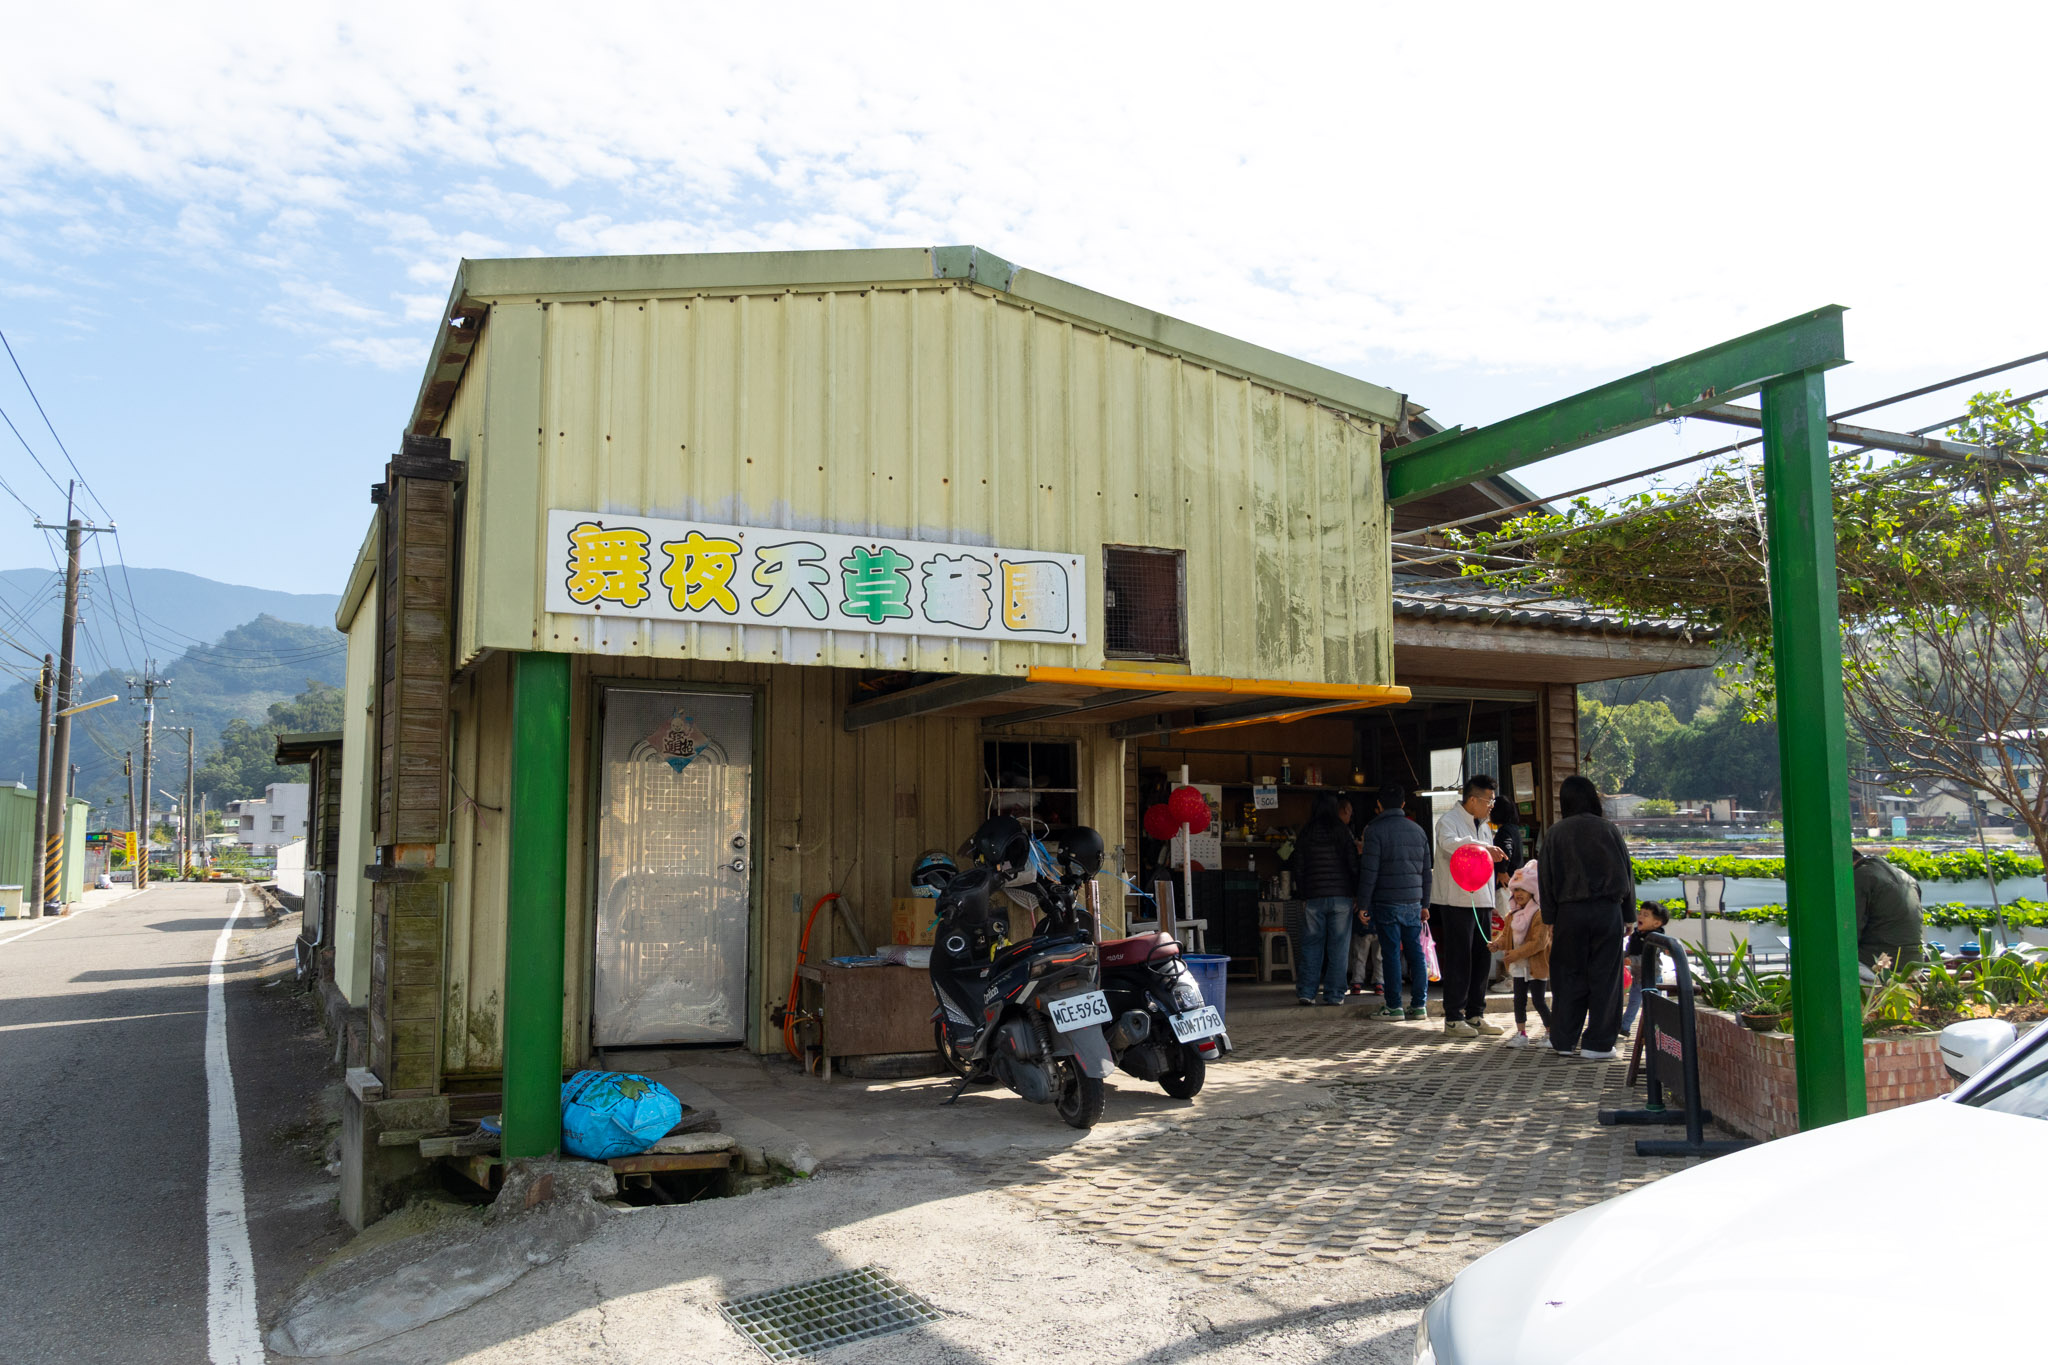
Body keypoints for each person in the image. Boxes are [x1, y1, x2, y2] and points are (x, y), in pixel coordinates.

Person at [1537, 774, 1636, 1060]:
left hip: (1569, 914)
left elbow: (1546, 879)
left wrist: (1550, 918)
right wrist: (1628, 915)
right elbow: (1626, 873)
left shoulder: (1556, 833)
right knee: (1606, 977)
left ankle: (1564, 1041)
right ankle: (1599, 1044)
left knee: (1567, 976)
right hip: (1607, 912)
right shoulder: (1608, 829)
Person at [1431, 775, 1506, 1039]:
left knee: (1482, 958)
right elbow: (1450, 845)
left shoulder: (1484, 825)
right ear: (1473, 799)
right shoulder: (1448, 822)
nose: (1491, 806)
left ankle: (1476, 1013)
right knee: (1459, 959)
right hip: (1457, 901)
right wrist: (1485, 847)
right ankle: (1453, 1016)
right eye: (1488, 800)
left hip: (1483, 900)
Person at [1357, 781, 1432, 1020]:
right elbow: (1425, 871)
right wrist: (1425, 904)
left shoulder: (1374, 831)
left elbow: (1369, 872)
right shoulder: (1418, 831)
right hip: (1413, 901)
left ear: (1378, 805)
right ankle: (1419, 1005)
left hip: (1386, 901)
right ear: (1402, 804)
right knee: (1415, 953)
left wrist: (1363, 904)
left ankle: (1394, 1006)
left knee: (1390, 953)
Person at [1292, 793, 1359, 1006]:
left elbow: (1298, 867)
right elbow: (1353, 865)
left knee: (1311, 945)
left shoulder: (1306, 833)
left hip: (1313, 897)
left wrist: (1303, 893)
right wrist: (1356, 892)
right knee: (1338, 948)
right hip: (1341, 898)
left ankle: (1307, 992)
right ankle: (1335, 994)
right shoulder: (1343, 832)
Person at [1489, 860, 1551, 1048]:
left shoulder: (1540, 914)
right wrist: (1496, 945)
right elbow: (1506, 936)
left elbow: (1539, 942)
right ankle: (1521, 1033)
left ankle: (1550, 1032)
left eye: (1523, 890)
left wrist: (1516, 954)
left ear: (1533, 891)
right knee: (1519, 1000)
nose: (1519, 894)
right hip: (1518, 967)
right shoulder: (1512, 915)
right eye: (1515, 890)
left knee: (1539, 1000)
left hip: (1536, 965)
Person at [1853, 848, 1925, 969]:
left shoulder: (1860, 876)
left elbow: (1849, 932)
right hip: (1914, 962)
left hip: (1881, 963)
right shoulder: (1905, 876)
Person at [1619, 900, 1670, 1037]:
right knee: (1634, 1002)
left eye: (1645, 915)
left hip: (1652, 978)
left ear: (1656, 923)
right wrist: (1621, 956)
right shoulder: (1636, 935)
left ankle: (1657, 1030)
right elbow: (1629, 951)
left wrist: (1630, 960)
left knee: (1653, 1005)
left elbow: (1649, 958)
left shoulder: (1656, 938)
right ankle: (1624, 1026)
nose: (1640, 917)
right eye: (1640, 913)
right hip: (1638, 977)